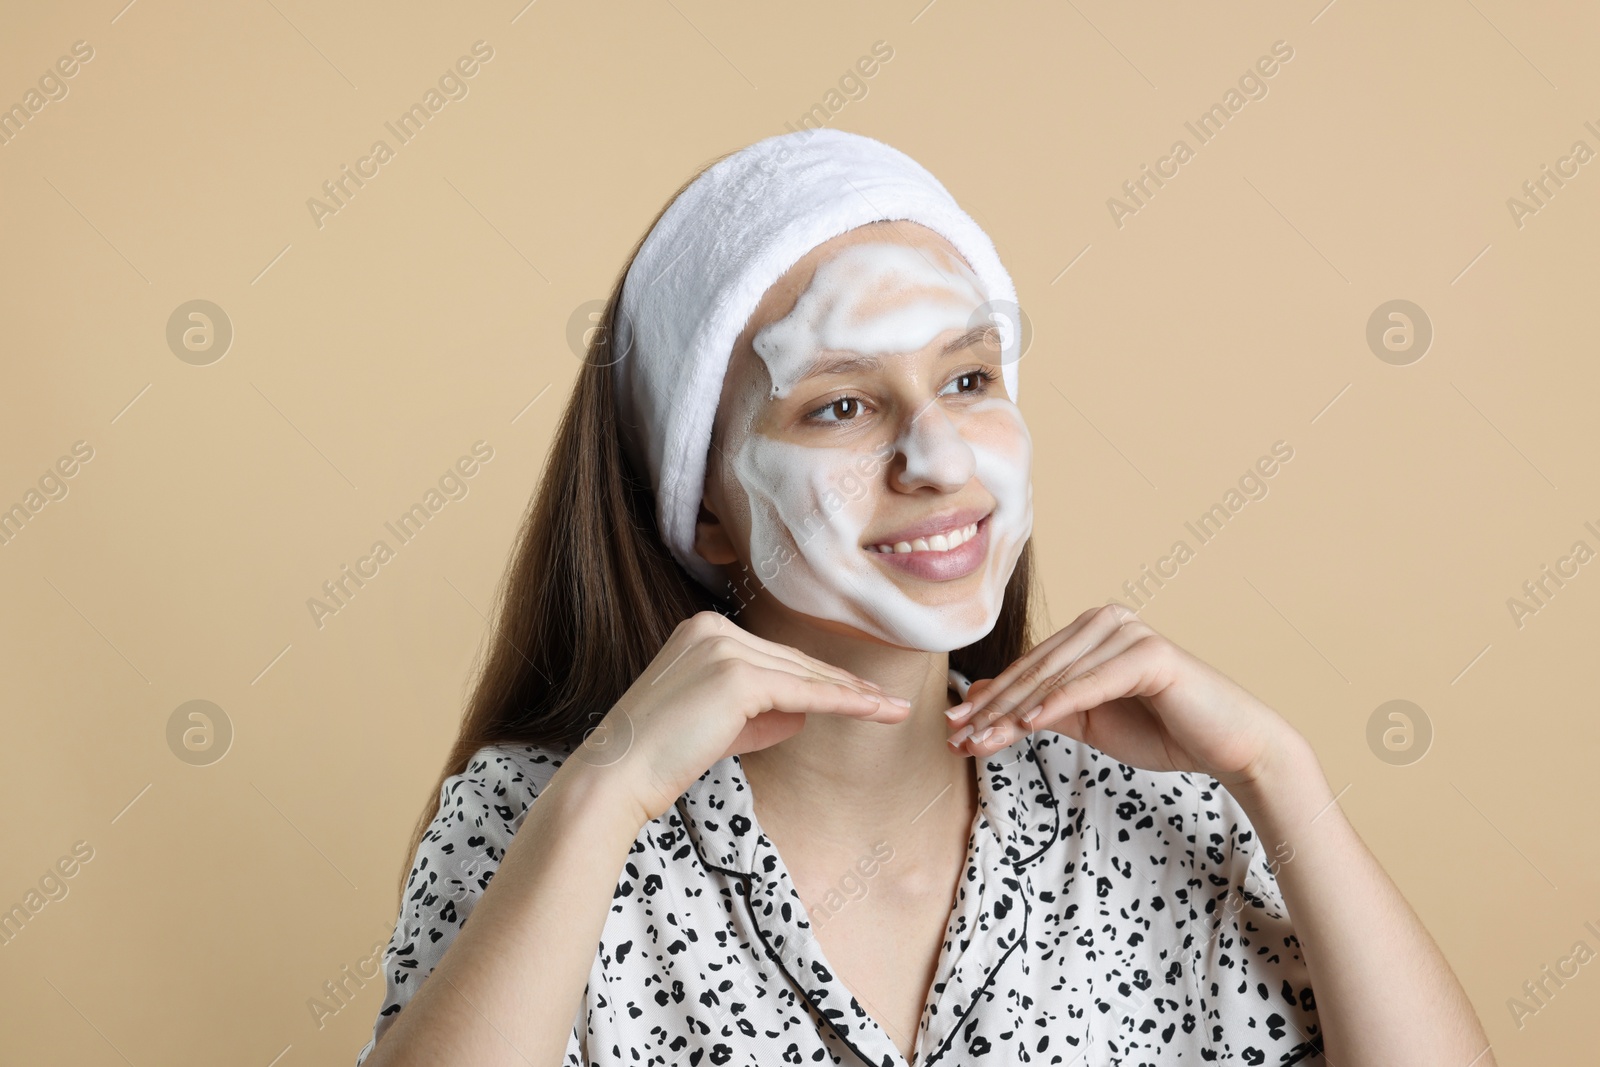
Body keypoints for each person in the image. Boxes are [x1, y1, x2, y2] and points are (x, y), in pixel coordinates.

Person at [354, 129, 1494, 1067]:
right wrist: (607, 791)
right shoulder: (536, 824)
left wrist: (1276, 774)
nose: (938, 457)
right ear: (699, 506)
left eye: (967, 378)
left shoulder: (1164, 814)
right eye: (841, 406)